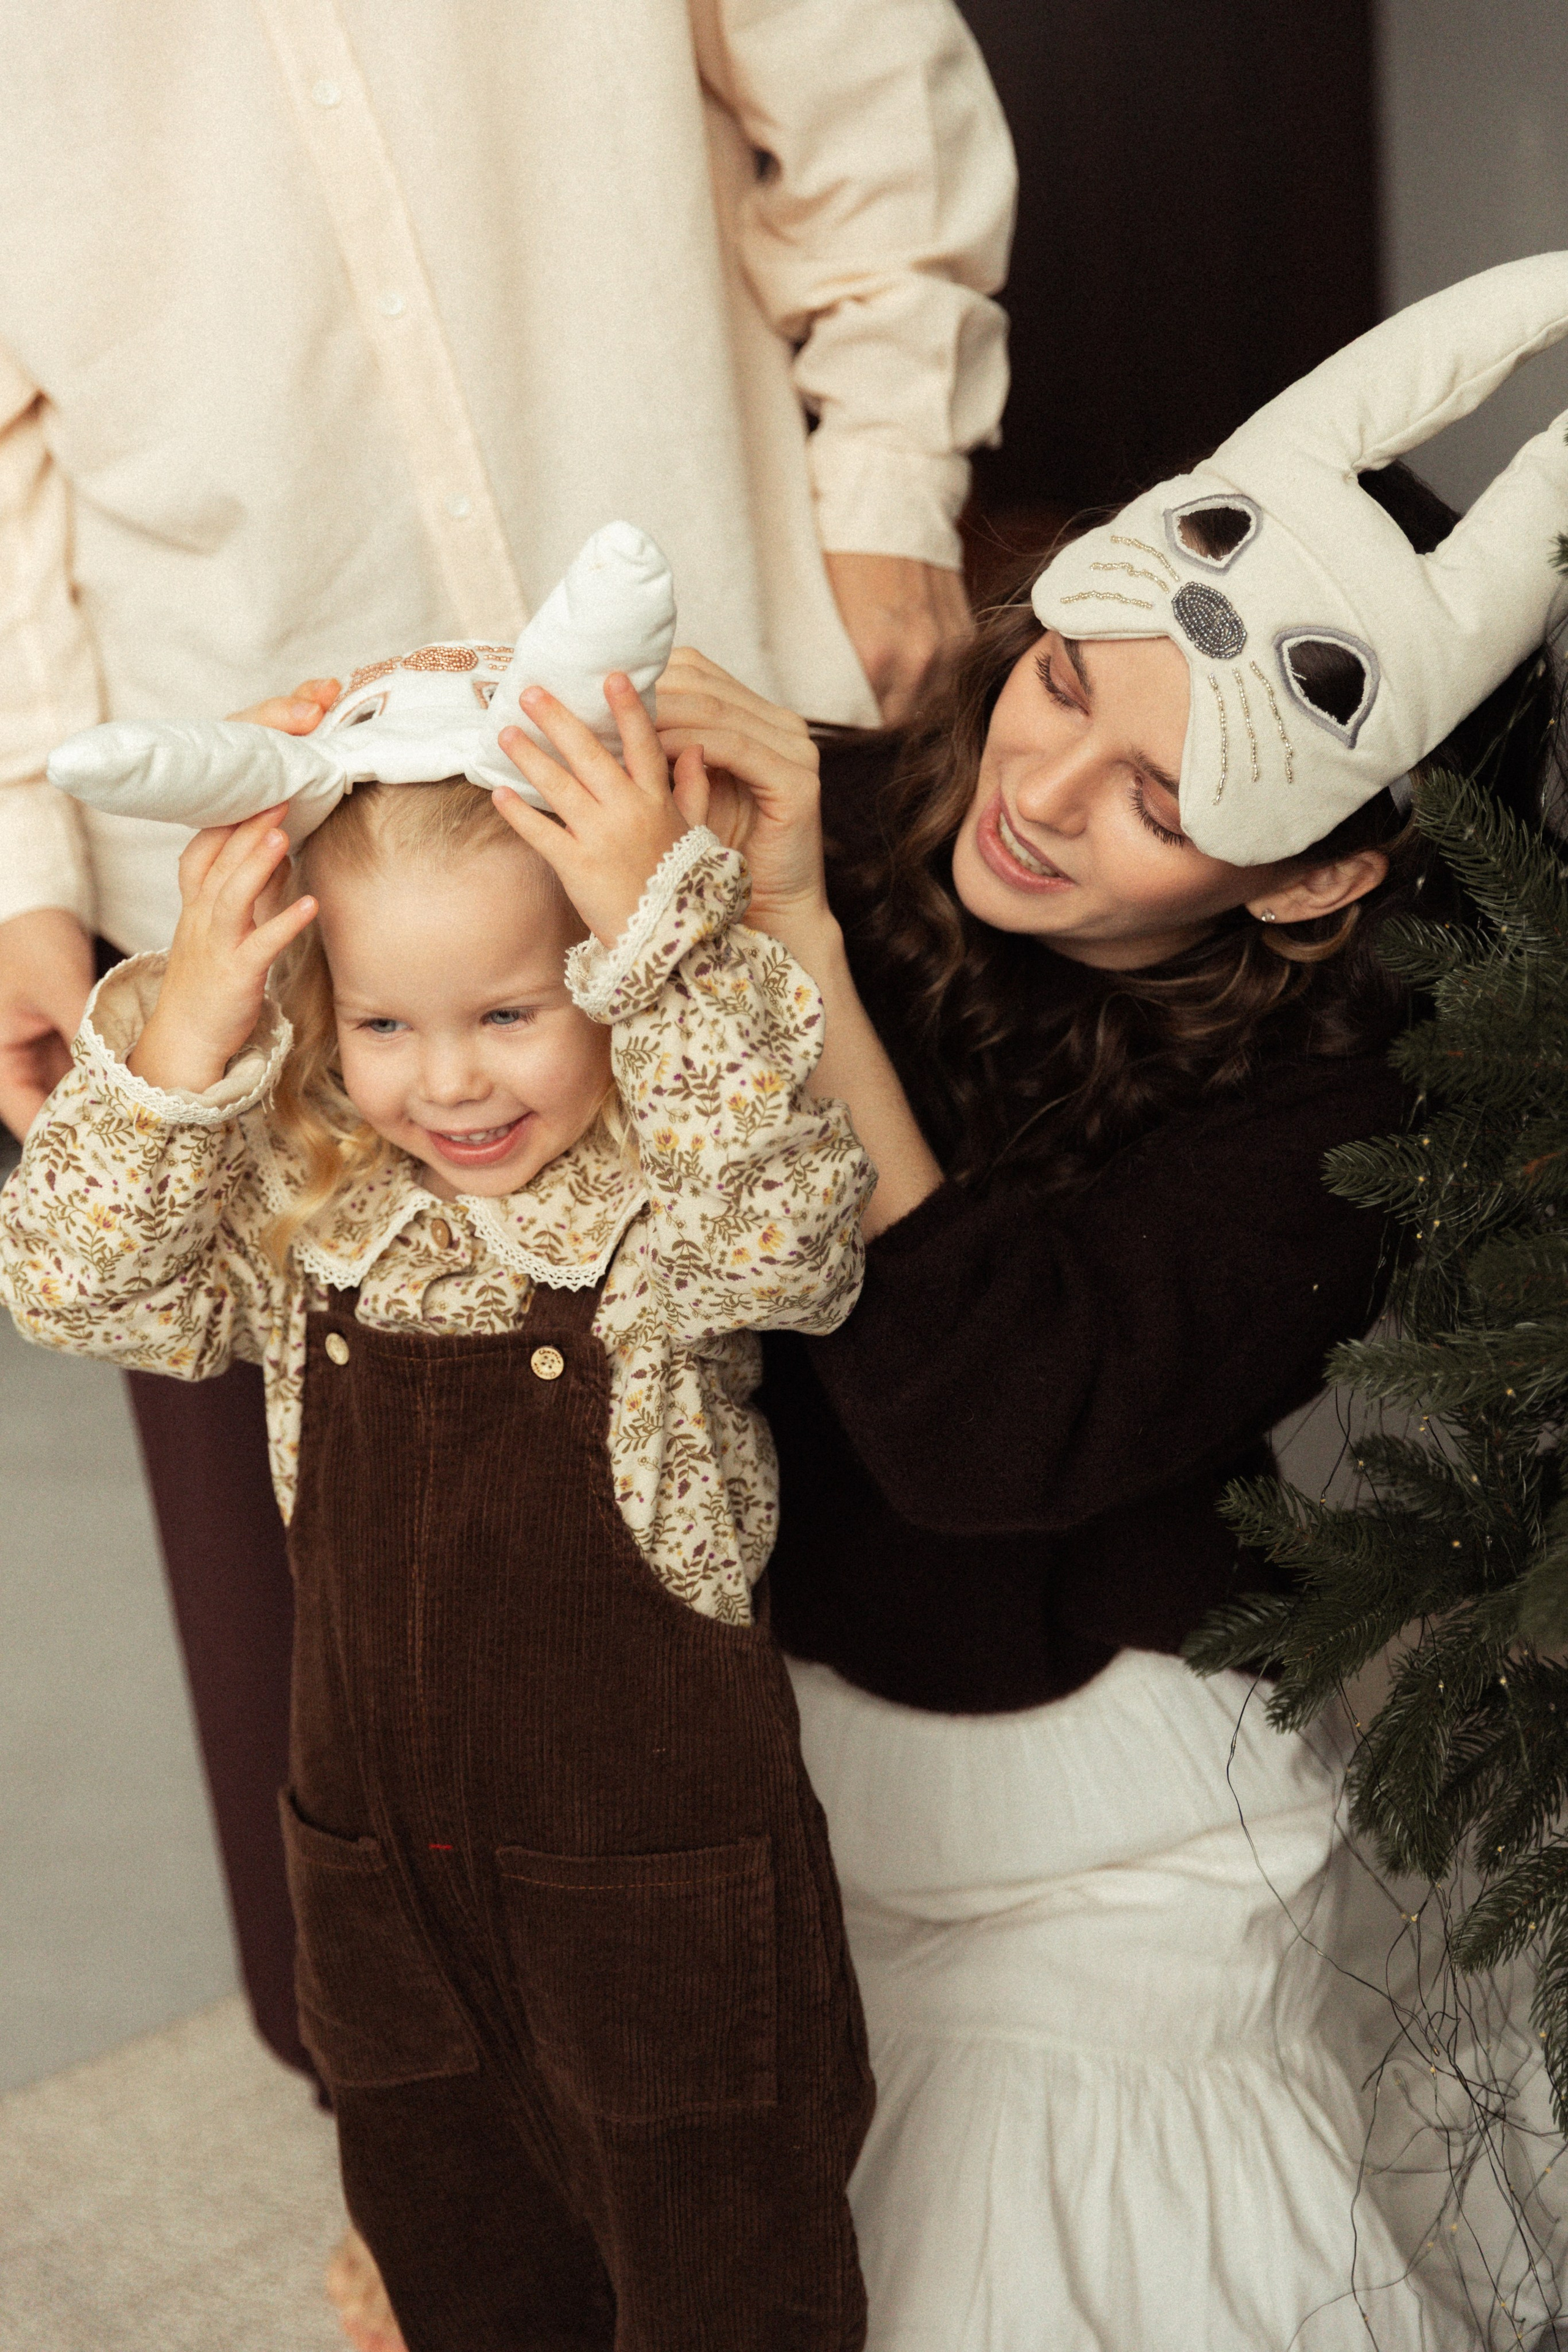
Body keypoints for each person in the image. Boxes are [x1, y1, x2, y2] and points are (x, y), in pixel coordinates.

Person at [0, 0, 1013, 2114]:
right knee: (338, 1539)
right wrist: (16, 849)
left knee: (821, 1397)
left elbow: (847, 66)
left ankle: (837, 2025)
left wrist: (896, 464)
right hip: (250, 792)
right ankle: (401, 2081)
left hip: (691, 695)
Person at [647, 256, 1568, 2344]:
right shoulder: (889, 810)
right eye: (1070, 688)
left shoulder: (1343, 1108)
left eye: (1170, 799)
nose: (1043, 800)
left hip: (1081, 1802)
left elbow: (992, 1427)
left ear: (1321, 875)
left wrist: (792, 945)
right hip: (771, 1746)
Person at [1, 591, 879, 2348]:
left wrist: (662, 932)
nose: (450, 1081)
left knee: (731, 2284)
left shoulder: (666, 1205)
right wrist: (184, 1021)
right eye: (385, 1026)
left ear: (614, 982)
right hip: (388, 1890)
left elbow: (799, 1246)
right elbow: (67, 1281)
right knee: (463, 2253)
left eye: (513, 1010)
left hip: (663, 1920)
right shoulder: (311, 1214)